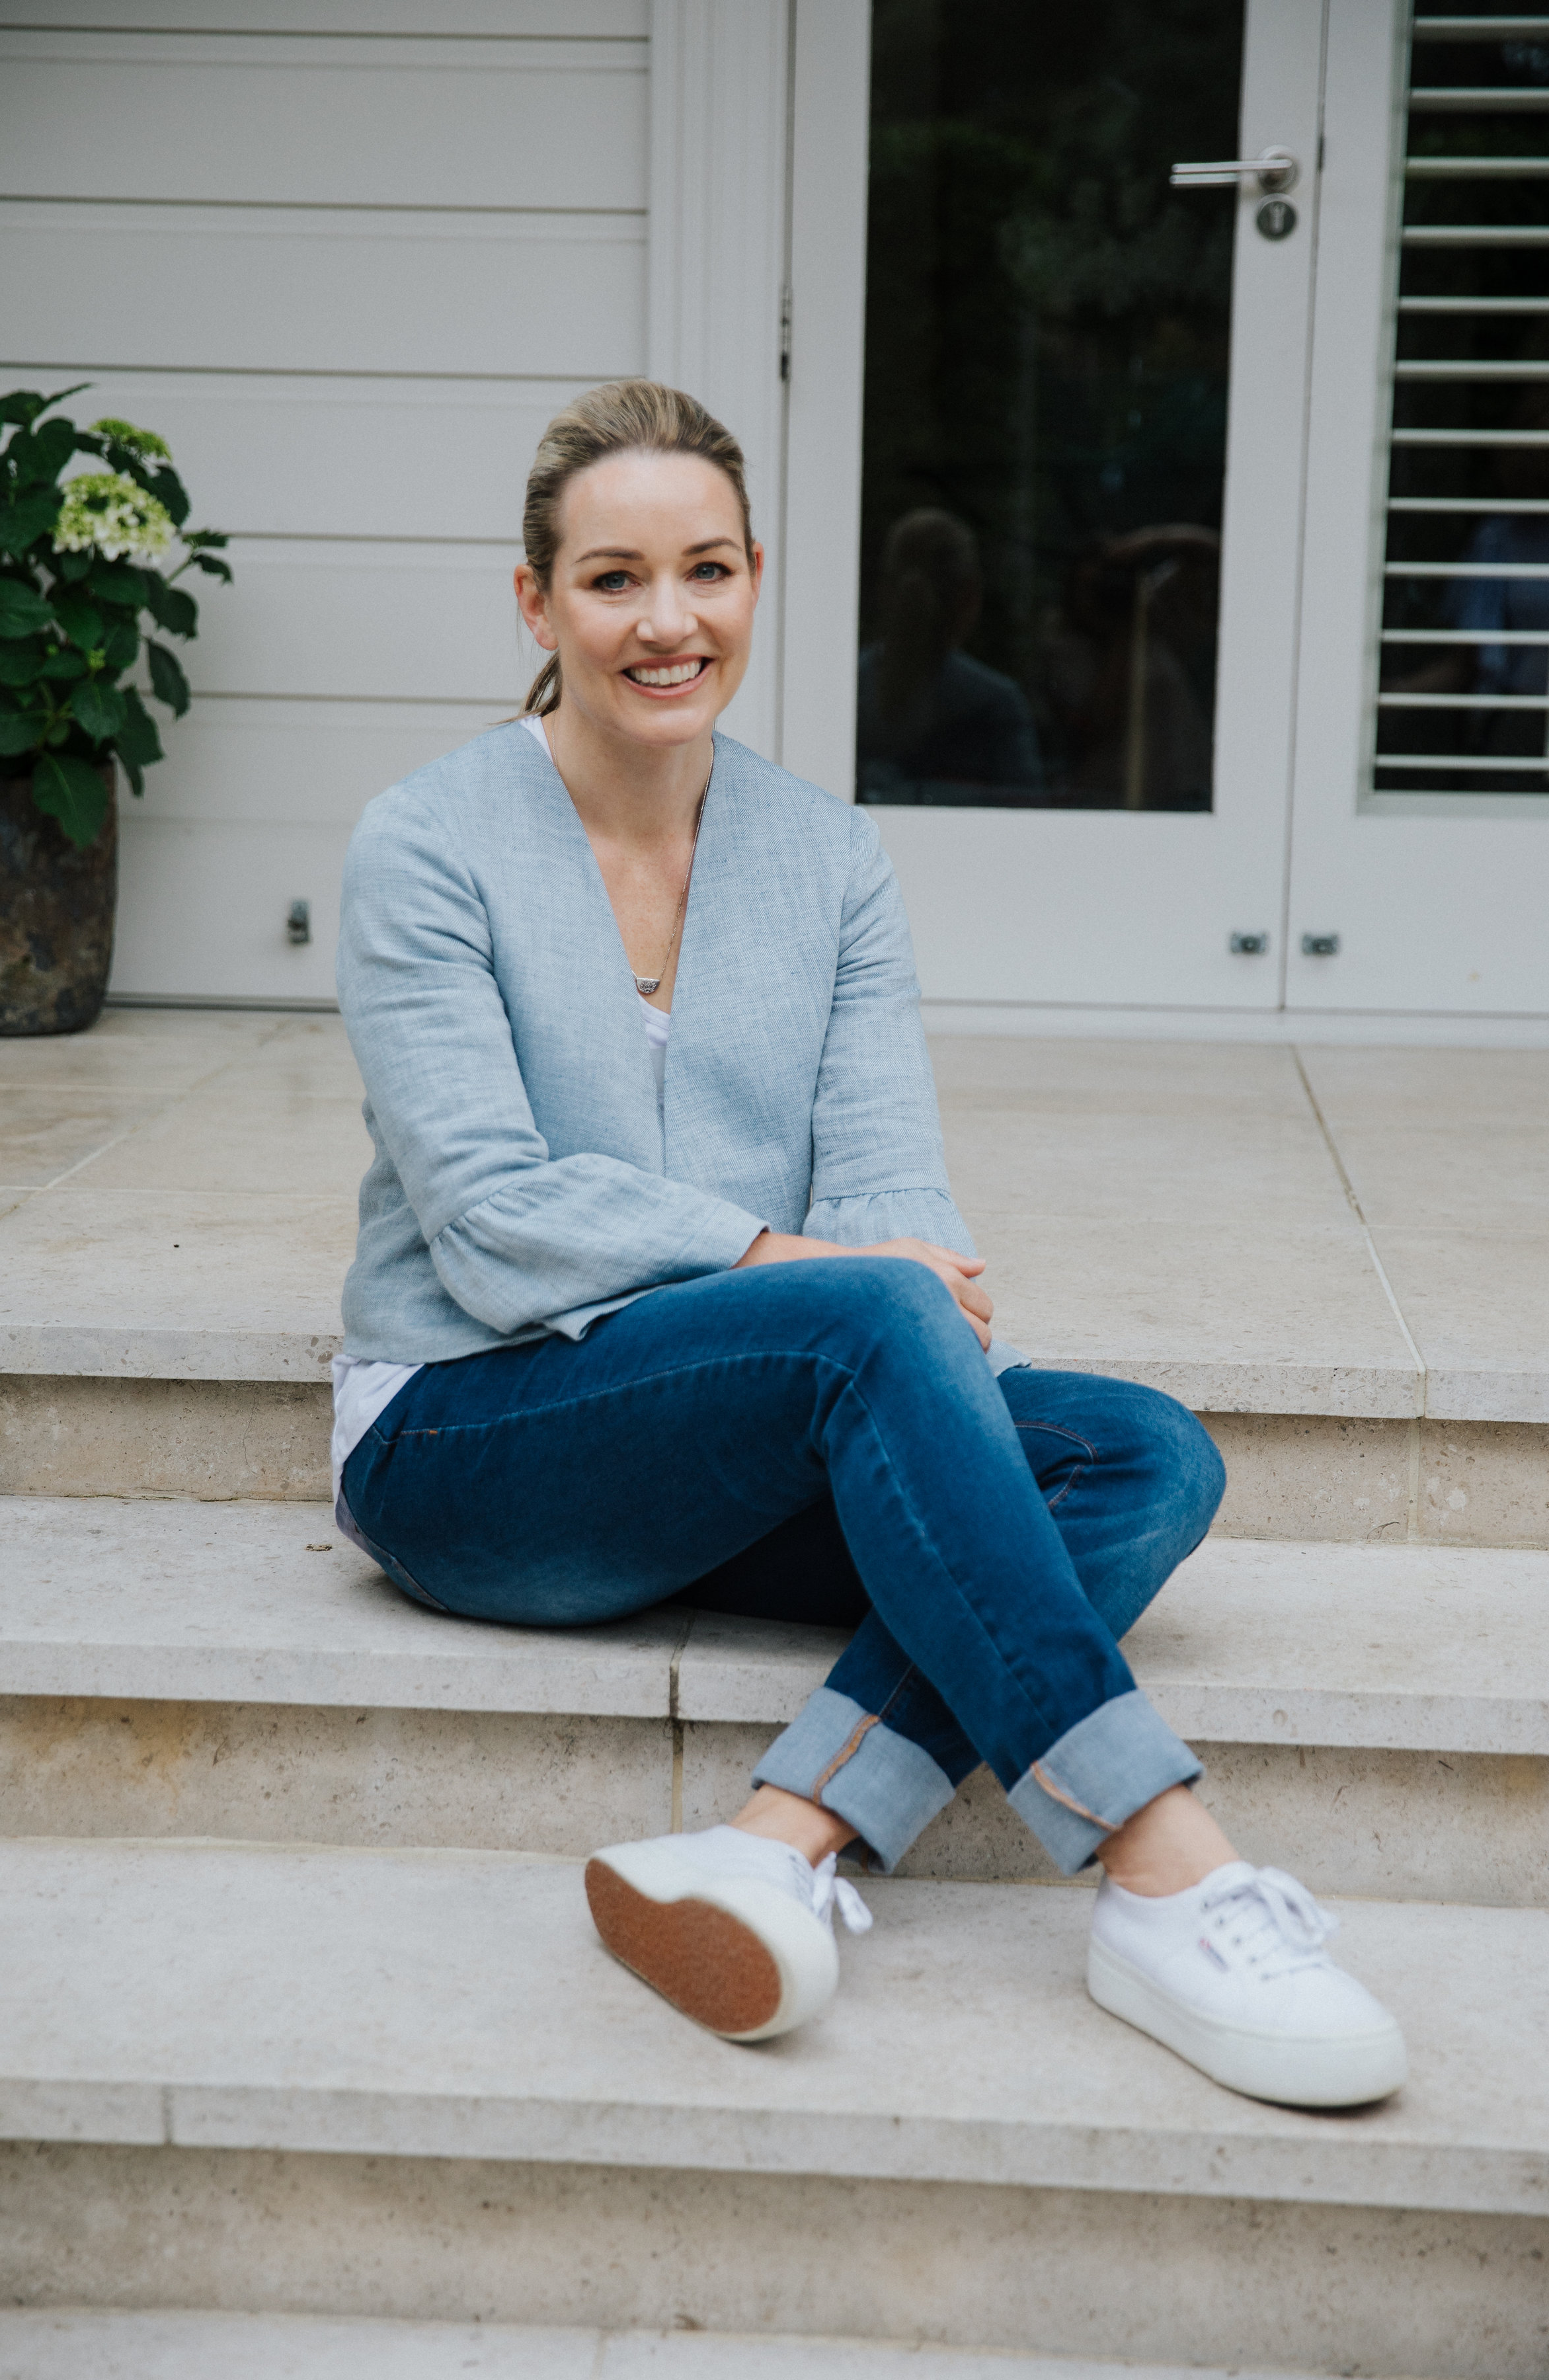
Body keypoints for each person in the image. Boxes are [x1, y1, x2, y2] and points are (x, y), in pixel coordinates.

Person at [332, 380, 1406, 2108]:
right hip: (475, 1433)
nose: (667, 622)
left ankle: (778, 1839)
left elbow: (899, 1186)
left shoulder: (827, 859)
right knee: (864, 1319)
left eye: (706, 570)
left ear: (757, 576)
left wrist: (911, 1344)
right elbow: (492, 1217)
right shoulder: (428, 844)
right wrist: (802, 1272)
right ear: (536, 605)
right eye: (613, 580)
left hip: (744, 1428)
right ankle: (1163, 1867)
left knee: (1144, 1459)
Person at [855, 508, 1045, 804]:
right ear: (971, 598)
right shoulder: (995, 704)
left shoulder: (844, 692)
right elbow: (1028, 817)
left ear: (883, 592)